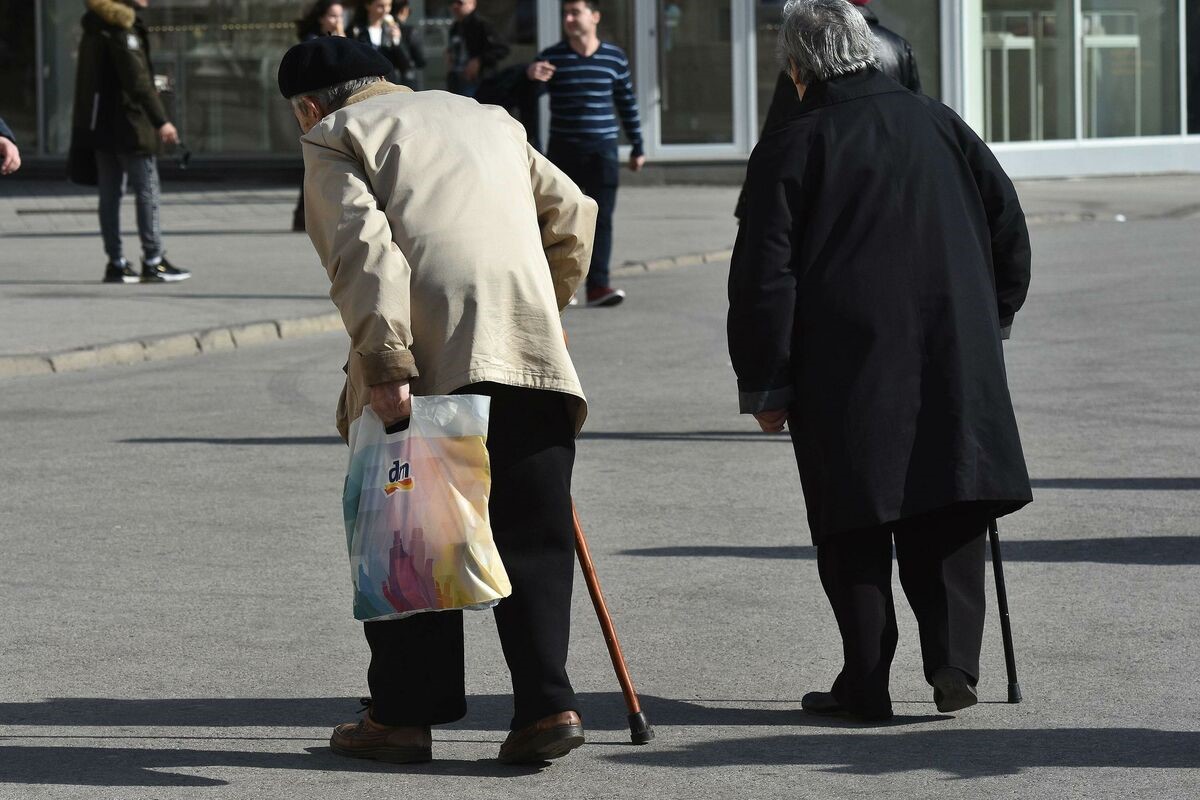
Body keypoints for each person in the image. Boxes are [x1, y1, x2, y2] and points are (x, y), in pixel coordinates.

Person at [277, 36, 598, 764]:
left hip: (429, 364)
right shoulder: (489, 118)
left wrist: (386, 363)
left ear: (305, 105)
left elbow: (364, 252)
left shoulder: (334, 135)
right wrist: (546, 310)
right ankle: (547, 709)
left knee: (409, 537)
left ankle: (403, 717)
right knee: (535, 537)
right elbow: (573, 213)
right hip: (528, 353)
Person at [728, 0, 1032, 722]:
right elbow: (1007, 224)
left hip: (846, 361)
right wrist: (996, 316)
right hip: (954, 345)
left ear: (798, 67)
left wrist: (767, 379)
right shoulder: (940, 122)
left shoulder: (794, 141)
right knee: (949, 497)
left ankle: (865, 681)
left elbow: (764, 277)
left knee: (855, 516)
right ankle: (954, 662)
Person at [736, 0, 921, 221]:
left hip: (829, 167)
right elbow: (913, 111)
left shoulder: (808, 42)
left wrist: (750, 196)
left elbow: (779, 122)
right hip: (890, 171)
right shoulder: (898, 46)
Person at [527, 0, 645, 308]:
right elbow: (527, 97)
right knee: (559, 219)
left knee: (602, 219)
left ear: (594, 17)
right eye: (565, 13)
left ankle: (599, 286)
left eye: (575, 12)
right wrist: (529, 77)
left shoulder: (614, 58)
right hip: (563, 152)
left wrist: (637, 146)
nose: (568, 18)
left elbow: (627, 103)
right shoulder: (552, 57)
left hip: (602, 150)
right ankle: (561, 284)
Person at [70, 0, 190, 284]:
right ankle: (153, 260)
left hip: (102, 125)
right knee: (147, 190)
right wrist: (162, 121)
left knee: (109, 194)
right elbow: (138, 82)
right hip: (130, 124)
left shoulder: (94, 27)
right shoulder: (122, 29)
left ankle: (116, 263)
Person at [292, 0, 347, 232]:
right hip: (316, 109)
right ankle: (307, 214)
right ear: (321, 18)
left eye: (340, 17)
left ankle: (306, 214)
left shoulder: (335, 39)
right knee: (317, 159)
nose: (338, 22)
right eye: (333, 16)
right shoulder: (314, 44)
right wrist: (342, 41)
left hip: (331, 107)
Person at [350, 0, 423, 87]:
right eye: (380, 6)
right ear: (368, 5)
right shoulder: (357, 30)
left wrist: (397, 42)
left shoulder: (398, 28)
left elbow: (406, 65)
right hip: (366, 85)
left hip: (392, 84)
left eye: (389, 5)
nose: (386, 10)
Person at [445, 0, 509, 97]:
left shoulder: (482, 24)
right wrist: (449, 54)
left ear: (472, 4)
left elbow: (502, 49)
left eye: (460, 3)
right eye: (452, 2)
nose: (455, 6)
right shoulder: (455, 27)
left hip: (477, 81)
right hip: (456, 78)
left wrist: (479, 60)